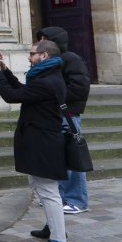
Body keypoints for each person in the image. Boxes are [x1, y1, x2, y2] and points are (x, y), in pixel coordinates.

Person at [0, 40, 69, 242]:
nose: (29, 56)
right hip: (40, 140)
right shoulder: (46, 77)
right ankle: (53, 229)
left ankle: (59, 241)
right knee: (41, 187)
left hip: (44, 143)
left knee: (48, 191)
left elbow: (12, 96)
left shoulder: (47, 81)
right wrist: (5, 72)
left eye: (32, 53)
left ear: (44, 56)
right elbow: (24, 91)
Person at [36, 25, 91, 214]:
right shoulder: (49, 60)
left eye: (43, 38)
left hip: (67, 115)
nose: (40, 42)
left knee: (73, 159)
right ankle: (58, 197)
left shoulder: (71, 59)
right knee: (56, 159)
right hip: (52, 115)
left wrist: (52, 94)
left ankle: (77, 200)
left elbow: (80, 88)